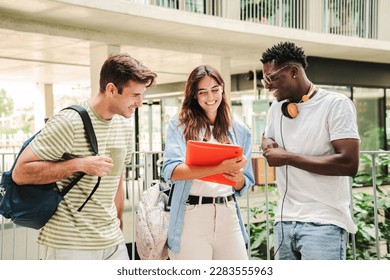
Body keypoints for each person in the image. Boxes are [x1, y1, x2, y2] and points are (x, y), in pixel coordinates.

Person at [12, 53, 157, 260]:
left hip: (112, 240)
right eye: (135, 95)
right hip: (68, 242)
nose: (140, 103)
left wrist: (118, 221)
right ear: (111, 89)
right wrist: (79, 164)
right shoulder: (68, 122)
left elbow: (117, 178)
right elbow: (20, 173)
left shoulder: (124, 126)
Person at [260, 41, 360, 260]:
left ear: (293, 71)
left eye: (272, 78)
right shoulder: (277, 108)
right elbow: (267, 136)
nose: (267, 86)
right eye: (264, 79)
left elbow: (349, 164)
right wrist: (267, 144)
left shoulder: (336, 105)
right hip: (284, 220)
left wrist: (287, 157)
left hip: (324, 222)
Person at [162, 65, 255, 260]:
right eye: (202, 92)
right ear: (194, 95)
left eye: (214, 90)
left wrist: (237, 177)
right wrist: (219, 168)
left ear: (222, 88)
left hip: (228, 213)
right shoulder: (180, 125)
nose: (210, 97)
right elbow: (171, 170)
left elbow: (243, 184)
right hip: (192, 214)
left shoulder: (240, 130)